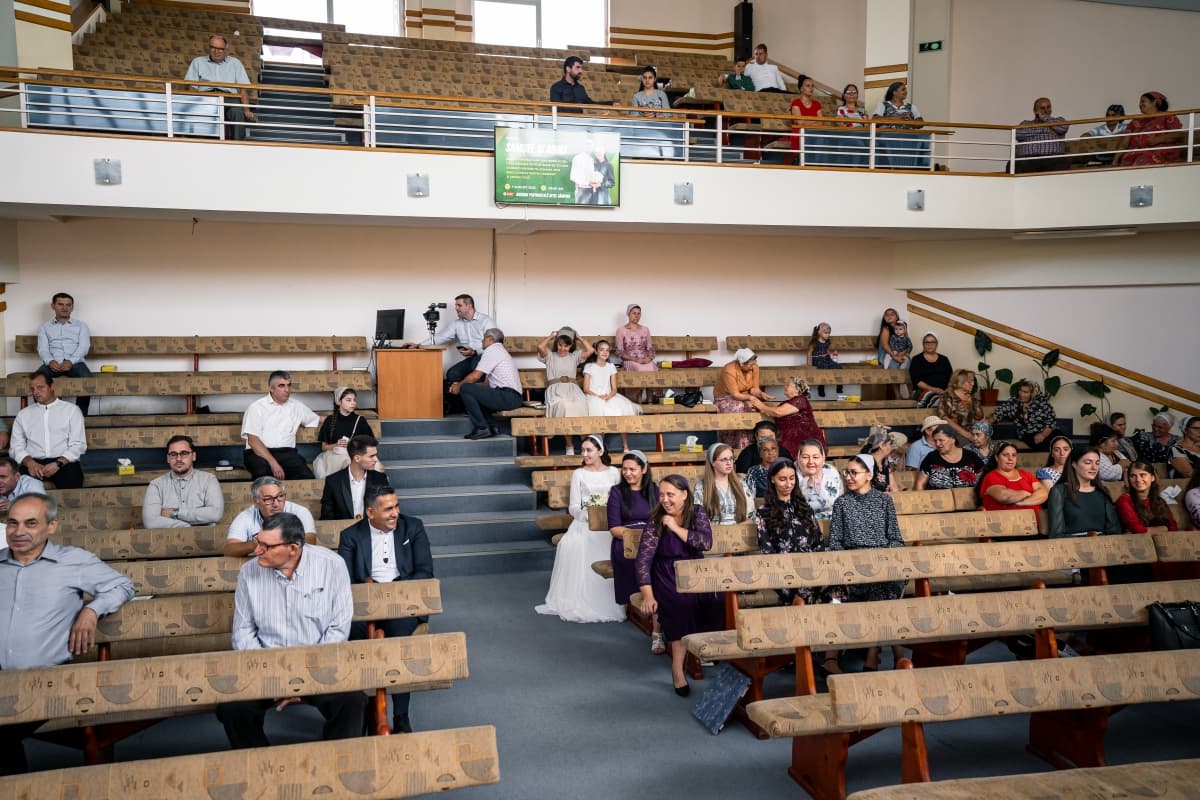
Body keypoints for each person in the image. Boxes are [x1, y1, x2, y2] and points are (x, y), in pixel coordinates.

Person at [0, 493, 135, 775]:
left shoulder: (72, 561)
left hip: (44, 681)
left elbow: (122, 586)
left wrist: (91, 610)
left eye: (30, 523)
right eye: (12, 523)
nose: (19, 531)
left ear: (51, 526)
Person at [217, 512, 361, 749]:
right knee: (232, 708)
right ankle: (259, 764)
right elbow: (243, 633)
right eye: (257, 541)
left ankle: (336, 763)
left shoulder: (332, 565)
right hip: (265, 668)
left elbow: (338, 628)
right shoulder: (249, 572)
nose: (256, 550)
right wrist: (277, 678)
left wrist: (304, 678)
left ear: (293, 548)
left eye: (266, 545)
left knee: (353, 702)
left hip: (319, 666)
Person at [337, 485, 433, 734]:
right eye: (388, 508)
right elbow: (345, 579)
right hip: (364, 603)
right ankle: (363, 710)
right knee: (353, 640)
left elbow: (424, 572)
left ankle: (401, 716)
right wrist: (369, 589)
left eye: (396, 506)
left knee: (399, 644)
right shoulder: (350, 535)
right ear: (370, 512)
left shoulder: (413, 527)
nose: (395, 513)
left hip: (402, 602)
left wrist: (394, 590)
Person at [636, 475, 719, 696]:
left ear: (684, 494)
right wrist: (648, 596)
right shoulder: (656, 520)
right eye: (661, 495)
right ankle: (677, 669)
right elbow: (643, 561)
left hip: (695, 572)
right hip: (666, 574)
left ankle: (703, 649)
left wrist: (675, 527)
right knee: (679, 604)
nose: (665, 499)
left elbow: (705, 543)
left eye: (670, 494)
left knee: (715, 598)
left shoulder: (697, 512)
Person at [828, 455, 905, 672]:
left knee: (883, 586)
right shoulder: (842, 503)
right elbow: (835, 541)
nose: (849, 477)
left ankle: (873, 652)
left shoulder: (884, 500)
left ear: (869, 476)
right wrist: (849, 563)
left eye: (854, 473)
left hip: (881, 563)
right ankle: (891, 653)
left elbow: (895, 539)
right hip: (853, 566)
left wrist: (885, 559)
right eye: (847, 472)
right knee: (875, 592)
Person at [536, 435, 624, 623]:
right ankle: (580, 599)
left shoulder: (614, 473)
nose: (584, 454)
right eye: (582, 450)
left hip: (610, 522)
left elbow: (621, 500)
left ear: (600, 451)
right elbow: (574, 507)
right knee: (577, 543)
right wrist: (588, 516)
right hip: (585, 522)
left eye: (589, 450)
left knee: (614, 540)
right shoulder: (579, 474)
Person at [607, 450, 663, 651]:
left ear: (644, 469)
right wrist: (641, 536)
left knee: (663, 567)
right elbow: (614, 528)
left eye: (633, 469)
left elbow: (661, 521)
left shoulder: (655, 491)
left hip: (652, 541)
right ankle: (649, 613)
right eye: (625, 469)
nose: (628, 473)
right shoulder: (616, 492)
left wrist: (650, 538)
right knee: (644, 563)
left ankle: (658, 630)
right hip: (626, 541)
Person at [756, 457, 825, 605]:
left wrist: (817, 576)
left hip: (812, 574)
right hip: (784, 576)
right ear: (773, 479)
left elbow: (818, 544)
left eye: (792, 478)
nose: (788, 484)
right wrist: (788, 588)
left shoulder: (805, 508)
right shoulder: (764, 513)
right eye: (782, 479)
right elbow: (767, 553)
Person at [10, 372, 86, 490]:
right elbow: (16, 447)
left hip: (63, 463)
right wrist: (30, 463)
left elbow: (78, 445)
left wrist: (58, 464)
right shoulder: (23, 414)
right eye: (32, 389)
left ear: (52, 387)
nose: (35, 392)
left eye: (40, 387)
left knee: (73, 493)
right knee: (24, 494)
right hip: (32, 463)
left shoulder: (71, 410)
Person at [241, 370, 319, 480]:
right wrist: (274, 463)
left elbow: (317, 419)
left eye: (289, 385)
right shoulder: (257, 407)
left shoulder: (296, 406)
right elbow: (253, 441)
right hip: (258, 454)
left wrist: (343, 415)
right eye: (281, 386)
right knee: (265, 479)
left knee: (306, 478)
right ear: (271, 388)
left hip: (287, 453)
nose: (287, 390)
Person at [450, 328, 523, 440]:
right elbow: (485, 384)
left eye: (484, 338)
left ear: (490, 339)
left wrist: (459, 386)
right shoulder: (499, 351)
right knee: (471, 390)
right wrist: (469, 388)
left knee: (465, 387)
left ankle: (482, 428)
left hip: (508, 396)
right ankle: (492, 427)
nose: (482, 341)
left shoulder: (492, 350)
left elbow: (475, 376)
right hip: (510, 396)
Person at [141, 434, 225, 528]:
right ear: (168, 458)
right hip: (168, 541)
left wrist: (175, 513)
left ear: (193, 456)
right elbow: (150, 522)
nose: (179, 459)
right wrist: (186, 527)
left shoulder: (209, 480)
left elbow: (215, 514)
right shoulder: (156, 485)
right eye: (173, 454)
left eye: (184, 453)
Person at [184, 34, 256, 140]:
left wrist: (246, 109)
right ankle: (199, 144)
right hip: (206, 97)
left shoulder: (235, 63)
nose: (216, 51)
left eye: (220, 49)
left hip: (229, 98)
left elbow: (243, 90)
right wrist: (195, 104)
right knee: (197, 112)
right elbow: (192, 88)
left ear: (226, 50)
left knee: (237, 111)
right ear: (209, 47)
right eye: (213, 47)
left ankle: (238, 145)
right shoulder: (198, 62)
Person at [225, 476, 316, 557]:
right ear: (256, 501)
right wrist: (256, 544)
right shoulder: (244, 517)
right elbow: (230, 550)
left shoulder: (300, 512)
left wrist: (275, 541)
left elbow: (310, 542)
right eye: (268, 499)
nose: (276, 504)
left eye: (280, 496)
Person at [538, 328, 594, 455]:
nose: (563, 348)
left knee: (582, 404)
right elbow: (540, 346)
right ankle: (569, 446)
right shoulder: (550, 356)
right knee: (565, 405)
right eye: (560, 345)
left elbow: (590, 350)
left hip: (573, 389)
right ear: (556, 344)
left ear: (571, 345)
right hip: (556, 390)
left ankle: (585, 446)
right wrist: (550, 337)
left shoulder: (574, 356)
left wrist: (579, 337)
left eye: (566, 346)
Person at [35, 292, 92, 417]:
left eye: (68, 305)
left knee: (87, 379)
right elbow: (43, 348)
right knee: (38, 380)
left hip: (76, 363)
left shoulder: (81, 326)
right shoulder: (44, 327)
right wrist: (49, 361)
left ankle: (80, 415)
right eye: (60, 304)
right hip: (53, 362)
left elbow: (84, 347)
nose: (64, 307)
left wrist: (71, 361)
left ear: (72, 307)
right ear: (53, 306)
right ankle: (45, 414)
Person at [1045, 447, 1120, 538]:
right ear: (1074, 464)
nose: (1094, 467)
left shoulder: (1102, 491)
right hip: (1072, 546)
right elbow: (1056, 534)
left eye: (1097, 463)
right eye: (1088, 462)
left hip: (1103, 545)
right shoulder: (1059, 491)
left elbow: (1114, 530)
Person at [584, 339, 642, 452]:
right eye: (602, 350)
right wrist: (598, 396)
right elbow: (586, 388)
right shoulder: (590, 367)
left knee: (621, 410)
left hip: (609, 395)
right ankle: (600, 446)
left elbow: (614, 388)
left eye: (607, 350)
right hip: (594, 396)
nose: (605, 352)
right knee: (600, 411)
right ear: (596, 352)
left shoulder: (611, 367)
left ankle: (625, 445)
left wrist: (609, 396)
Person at [312, 387, 377, 480]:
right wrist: (336, 444)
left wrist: (354, 444)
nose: (353, 403)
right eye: (348, 400)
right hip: (335, 456)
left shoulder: (360, 420)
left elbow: (370, 444)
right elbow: (324, 447)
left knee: (371, 465)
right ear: (339, 402)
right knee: (346, 462)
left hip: (355, 453)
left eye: (354, 400)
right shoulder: (330, 420)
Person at [320, 435, 389, 520]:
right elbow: (327, 517)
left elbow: (387, 510)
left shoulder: (380, 479)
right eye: (371, 456)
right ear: (357, 458)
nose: (375, 459)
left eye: (375, 455)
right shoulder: (333, 481)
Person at [714, 348, 771, 449]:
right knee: (739, 406)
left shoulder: (754, 367)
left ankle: (751, 446)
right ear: (741, 363)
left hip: (745, 396)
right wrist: (751, 398)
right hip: (725, 397)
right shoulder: (729, 370)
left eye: (754, 363)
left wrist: (761, 394)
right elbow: (735, 394)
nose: (753, 367)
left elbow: (754, 389)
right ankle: (734, 446)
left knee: (753, 407)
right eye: (750, 365)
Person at [1116, 91, 1183, 167]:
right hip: (1135, 154)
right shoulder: (1136, 121)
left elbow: (1178, 134)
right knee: (1130, 160)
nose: (1140, 104)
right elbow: (1124, 143)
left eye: (1143, 101)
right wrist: (1115, 161)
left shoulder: (1167, 116)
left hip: (1160, 153)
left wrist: (1158, 139)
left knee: (1143, 159)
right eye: (1140, 102)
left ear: (1154, 102)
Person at [694, 443, 756, 525]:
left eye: (731, 459)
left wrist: (735, 530)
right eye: (724, 460)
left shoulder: (741, 484)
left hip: (739, 532)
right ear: (713, 462)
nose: (729, 463)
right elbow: (699, 519)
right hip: (713, 534)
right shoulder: (701, 487)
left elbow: (751, 516)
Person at [988, 380, 1059, 451]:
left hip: (1046, 431)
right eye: (1020, 391)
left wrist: (1043, 434)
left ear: (1033, 393)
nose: (1021, 394)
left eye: (1025, 392)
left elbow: (1051, 420)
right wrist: (983, 426)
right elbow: (998, 413)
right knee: (1046, 445)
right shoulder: (1013, 402)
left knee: (1061, 440)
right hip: (1028, 434)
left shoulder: (1042, 401)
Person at [977, 441, 1047, 512]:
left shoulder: (1027, 474)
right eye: (1005, 455)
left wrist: (1022, 502)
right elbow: (1005, 497)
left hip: (1036, 521)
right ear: (996, 457)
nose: (1010, 458)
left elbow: (1043, 493)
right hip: (1007, 521)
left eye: (1014, 455)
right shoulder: (991, 477)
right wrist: (1027, 494)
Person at [914, 424, 987, 491]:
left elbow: (984, 480)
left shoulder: (970, 456)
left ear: (952, 439)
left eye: (941, 440)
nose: (937, 444)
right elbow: (920, 484)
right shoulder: (931, 457)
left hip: (968, 501)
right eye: (935, 441)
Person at [1116, 462, 1177, 533]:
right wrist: (1164, 528)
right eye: (1133, 476)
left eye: (1142, 475)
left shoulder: (1160, 501)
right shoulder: (1124, 501)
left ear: (1152, 478)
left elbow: (1173, 528)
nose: (1138, 479)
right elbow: (1138, 530)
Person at [614, 304, 657, 403]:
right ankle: (638, 399)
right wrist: (636, 359)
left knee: (650, 366)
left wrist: (648, 358)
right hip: (630, 359)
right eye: (634, 313)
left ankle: (650, 401)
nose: (636, 316)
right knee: (638, 367)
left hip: (644, 358)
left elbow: (650, 348)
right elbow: (620, 351)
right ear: (628, 314)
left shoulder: (645, 329)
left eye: (638, 314)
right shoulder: (621, 330)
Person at [1014, 97, 1068, 173]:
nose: (1046, 110)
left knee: (1062, 163)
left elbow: (1063, 128)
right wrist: (1045, 129)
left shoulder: (1059, 120)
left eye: (1048, 107)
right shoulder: (1026, 123)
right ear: (1035, 111)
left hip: (1053, 158)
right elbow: (1018, 134)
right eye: (1042, 108)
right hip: (1027, 160)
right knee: (1014, 165)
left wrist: (1044, 118)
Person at [796, 438, 843, 521]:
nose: (811, 461)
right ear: (798, 458)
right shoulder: (791, 474)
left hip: (833, 523)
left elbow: (840, 503)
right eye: (805, 457)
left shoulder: (831, 471)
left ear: (822, 458)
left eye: (816, 457)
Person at [938, 369, 983, 443]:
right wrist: (966, 434)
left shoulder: (973, 400)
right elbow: (944, 418)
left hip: (972, 433)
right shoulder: (947, 397)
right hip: (954, 433)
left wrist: (979, 434)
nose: (973, 384)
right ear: (959, 382)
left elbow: (980, 419)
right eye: (969, 381)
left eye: (973, 381)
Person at [909, 332, 952, 407]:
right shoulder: (916, 359)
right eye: (927, 342)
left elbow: (951, 378)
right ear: (923, 344)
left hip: (943, 392)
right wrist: (933, 389)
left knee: (955, 401)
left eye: (933, 342)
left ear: (937, 344)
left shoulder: (944, 359)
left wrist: (946, 391)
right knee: (938, 401)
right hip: (922, 391)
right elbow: (917, 381)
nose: (930, 344)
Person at [0, 457, 45, 524]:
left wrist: (14, 505)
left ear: (17, 476)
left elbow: (42, 507)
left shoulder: (30, 484)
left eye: (3, 477)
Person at [789, 75, 824, 156]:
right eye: (808, 86)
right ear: (801, 89)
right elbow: (800, 123)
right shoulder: (796, 103)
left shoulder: (817, 104)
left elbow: (821, 123)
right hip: (800, 133)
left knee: (822, 137)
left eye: (812, 86)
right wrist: (815, 121)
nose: (811, 88)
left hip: (814, 132)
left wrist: (806, 122)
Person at [807, 322, 841, 398]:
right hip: (818, 360)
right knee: (823, 368)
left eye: (829, 333)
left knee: (838, 366)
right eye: (825, 333)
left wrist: (831, 358)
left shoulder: (827, 341)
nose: (827, 335)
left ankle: (839, 386)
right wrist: (808, 364)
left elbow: (827, 350)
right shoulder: (815, 342)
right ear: (819, 333)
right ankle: (821, 387)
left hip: (826, 358)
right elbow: (809, 353)